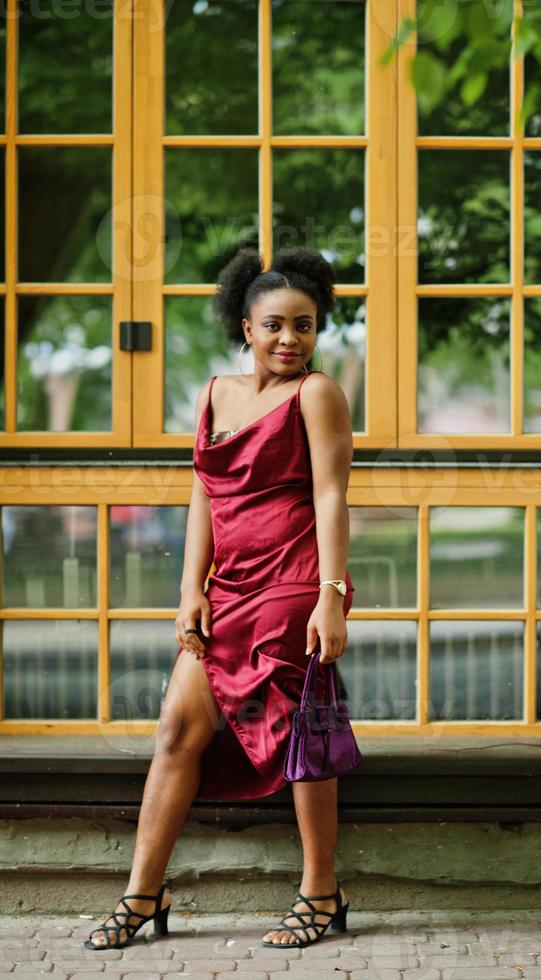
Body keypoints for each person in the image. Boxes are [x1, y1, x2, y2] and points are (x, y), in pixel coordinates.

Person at [83, 246, 357, 952]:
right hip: (228, 588)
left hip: (293, 583)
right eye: (274, 325)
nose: (289, 340)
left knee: (303, 732)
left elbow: (330, 495)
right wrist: (188, 590)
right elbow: (204, 489)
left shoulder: (318, 394)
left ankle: (321, 891)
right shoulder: (213, 394)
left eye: (304, 325)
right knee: (177, 728)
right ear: (245, 326)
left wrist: (331, 596)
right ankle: (145, 894)